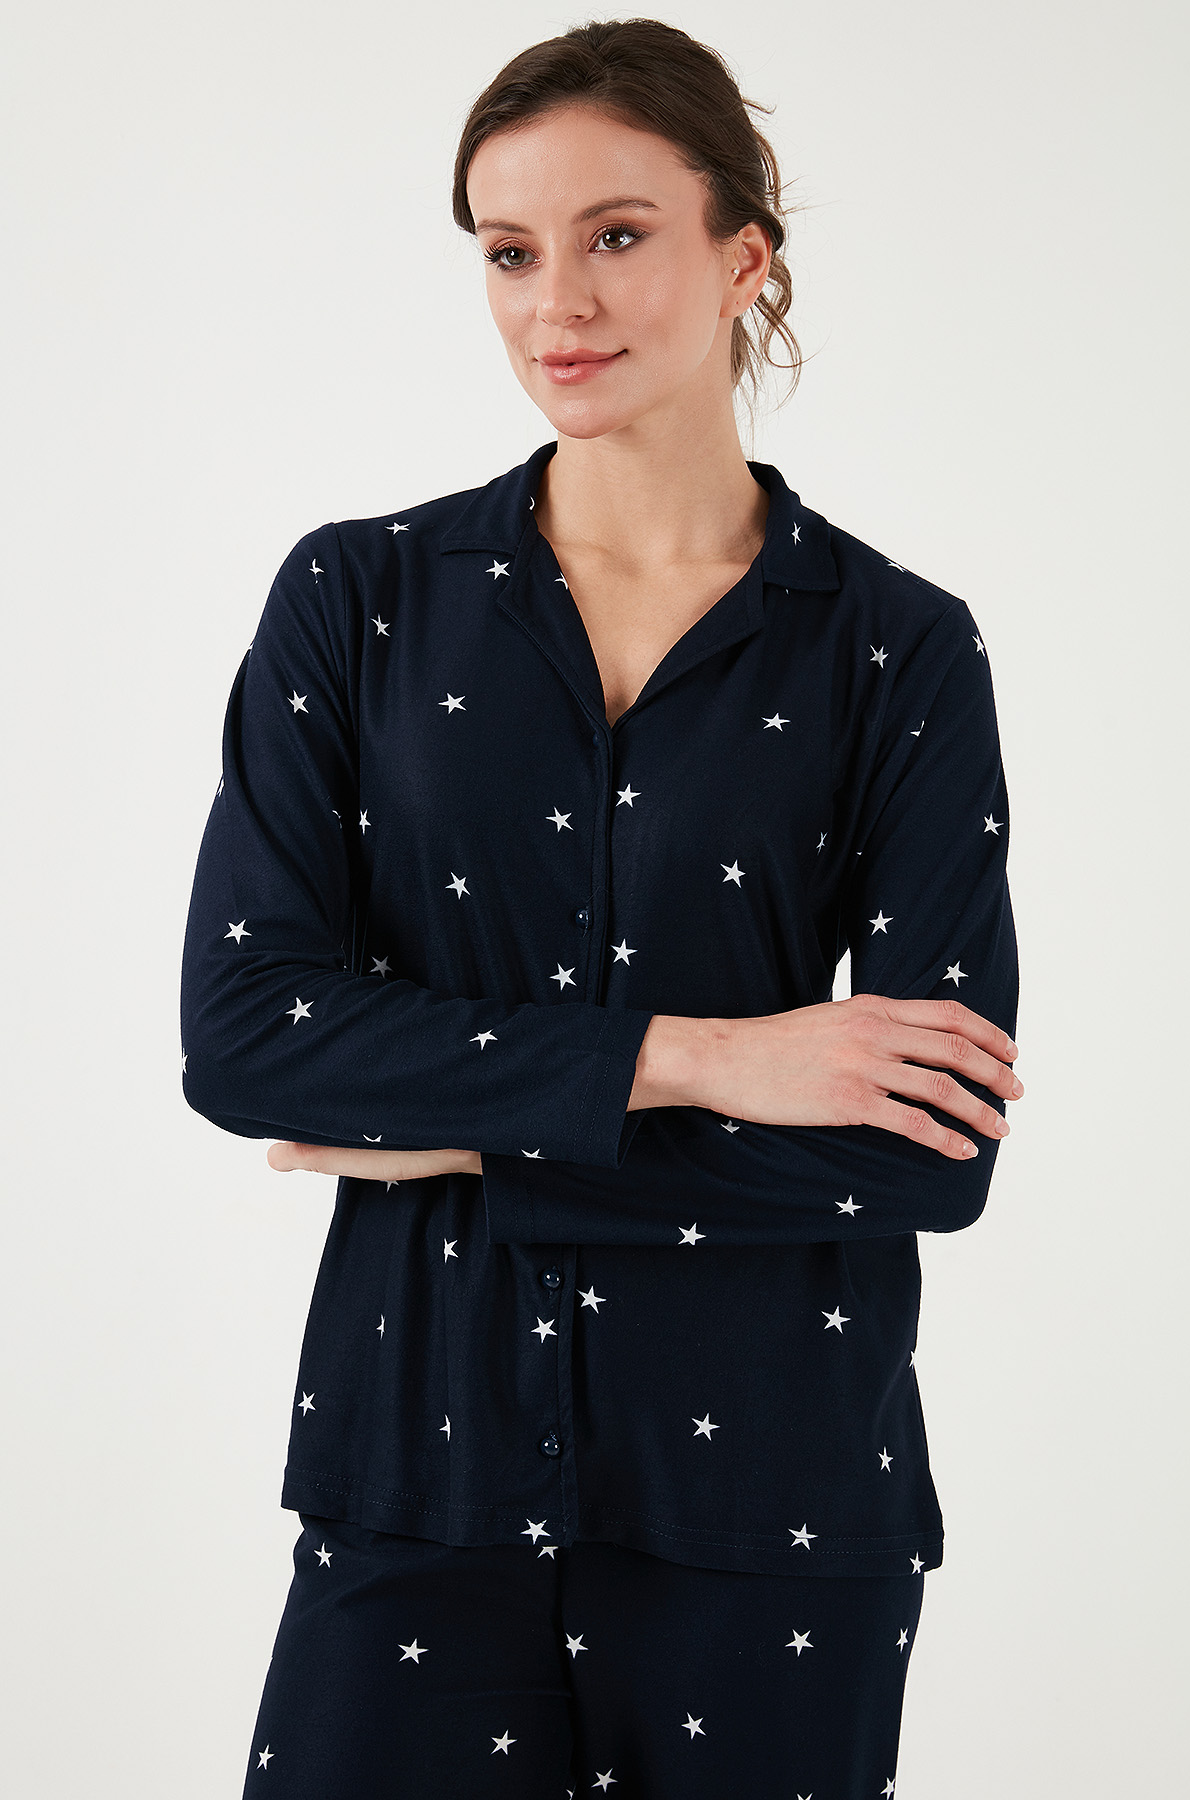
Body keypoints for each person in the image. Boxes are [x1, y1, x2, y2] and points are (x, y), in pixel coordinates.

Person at [180, 18, 1021, 1798]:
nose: (556, 301)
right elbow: (250, 1038)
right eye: (510, 250)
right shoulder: (358, 600)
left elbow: (932, 1147)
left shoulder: (901, 650)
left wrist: (458, 1136)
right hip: (419, 1472)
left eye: (617, 235)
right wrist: (711, 1058)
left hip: (777, 1508)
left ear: (744, 256)